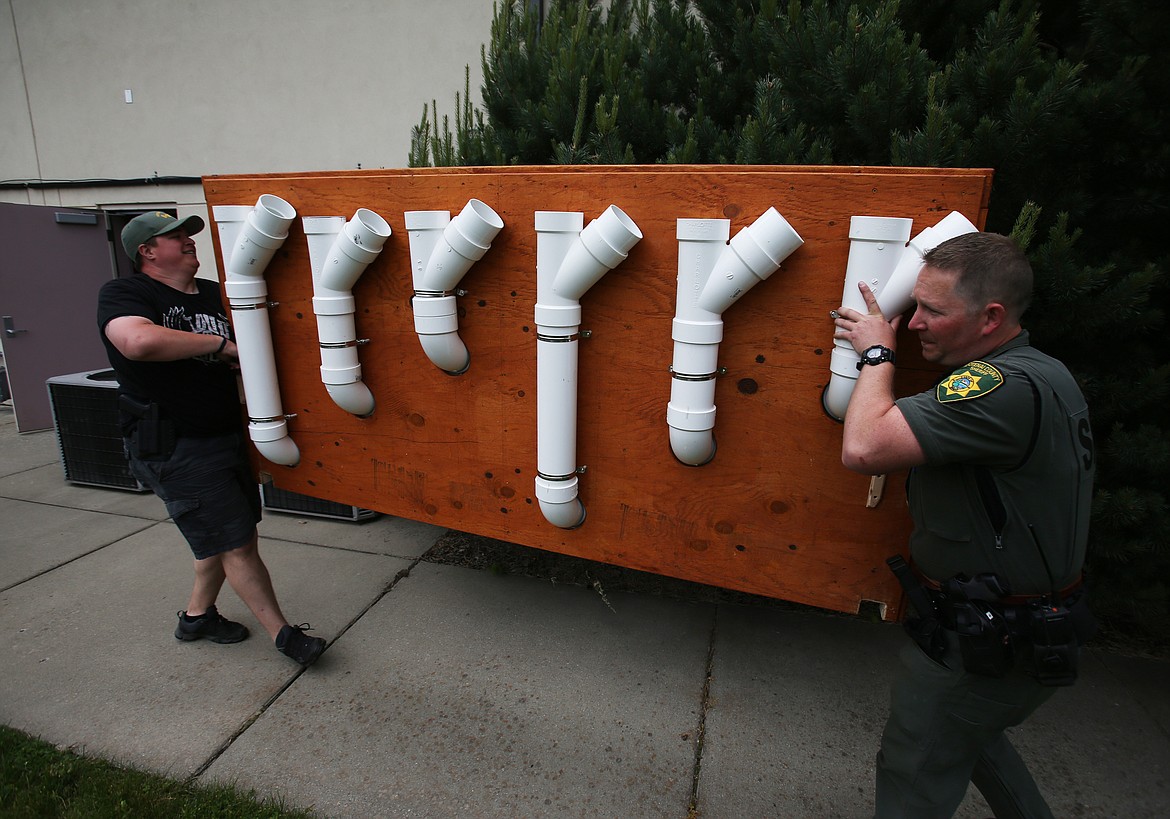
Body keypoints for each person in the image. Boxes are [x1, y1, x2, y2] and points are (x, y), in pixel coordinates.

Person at [832, 231, 1095, 818]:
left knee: (915, 768)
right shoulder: (1043, 372)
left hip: (988, 640)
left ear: (991, 317)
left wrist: (876, 355)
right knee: (967, 742)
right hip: (1011, 635)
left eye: (932, 310)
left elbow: (865, 449)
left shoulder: (998, 388)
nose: (913, 322)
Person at [97, 211, 326, 667]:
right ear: (147, 251)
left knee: (224, 537)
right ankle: (284, 637)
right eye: (175, 236)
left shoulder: (214, 294)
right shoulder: (126, 292)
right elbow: (137, 342)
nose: (188, 241)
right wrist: (217, 346)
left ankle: (196, 618)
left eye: (188, 235)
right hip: (174, 444)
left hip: (224, 434)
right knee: (236, 544)